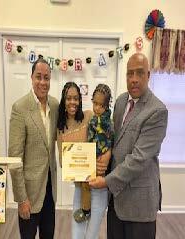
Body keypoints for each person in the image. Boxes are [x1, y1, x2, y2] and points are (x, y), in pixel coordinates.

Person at [89, 53, 168, 239]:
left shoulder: (157, 111)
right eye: (129, 74)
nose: (134, 79)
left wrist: (106, 181)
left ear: (148, 75)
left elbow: (138, 159)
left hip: (139, 205)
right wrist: (104, 155)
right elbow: (114, 139)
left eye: (139, 73)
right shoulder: (120, 102)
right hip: (116, 202)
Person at [8, 58, 59, 239]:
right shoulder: (20, 108)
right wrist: (22, 199)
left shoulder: (54, 105)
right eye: (39, 77)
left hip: (50, 191)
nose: (43, 82)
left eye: (47, 77)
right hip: (29, 194)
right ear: (31, 77)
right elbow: (14, 159)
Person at [57, 82, 111, 239]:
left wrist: (108, 154)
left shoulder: (90, 116)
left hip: (99, 186)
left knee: (92, 234)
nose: (72, 102)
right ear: (63, 100)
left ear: (80, 100)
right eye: (68, 98)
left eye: (76, 98)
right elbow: (62, 162)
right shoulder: (60, 128)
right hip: (80, 188)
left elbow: (108, 136)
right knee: (77, 233)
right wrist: (73, 163)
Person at [73, 84, 113, 223]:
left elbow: (104, 142)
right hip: (92, 155)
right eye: (95, 103)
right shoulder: (95, 118)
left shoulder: (105, 121)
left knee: (88, 184)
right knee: (86, 184)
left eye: (101, 105)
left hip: (98, 157)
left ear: (107, 106)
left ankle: (87, 211)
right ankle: (87, 210)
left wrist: (89, 155)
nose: (97, 108)